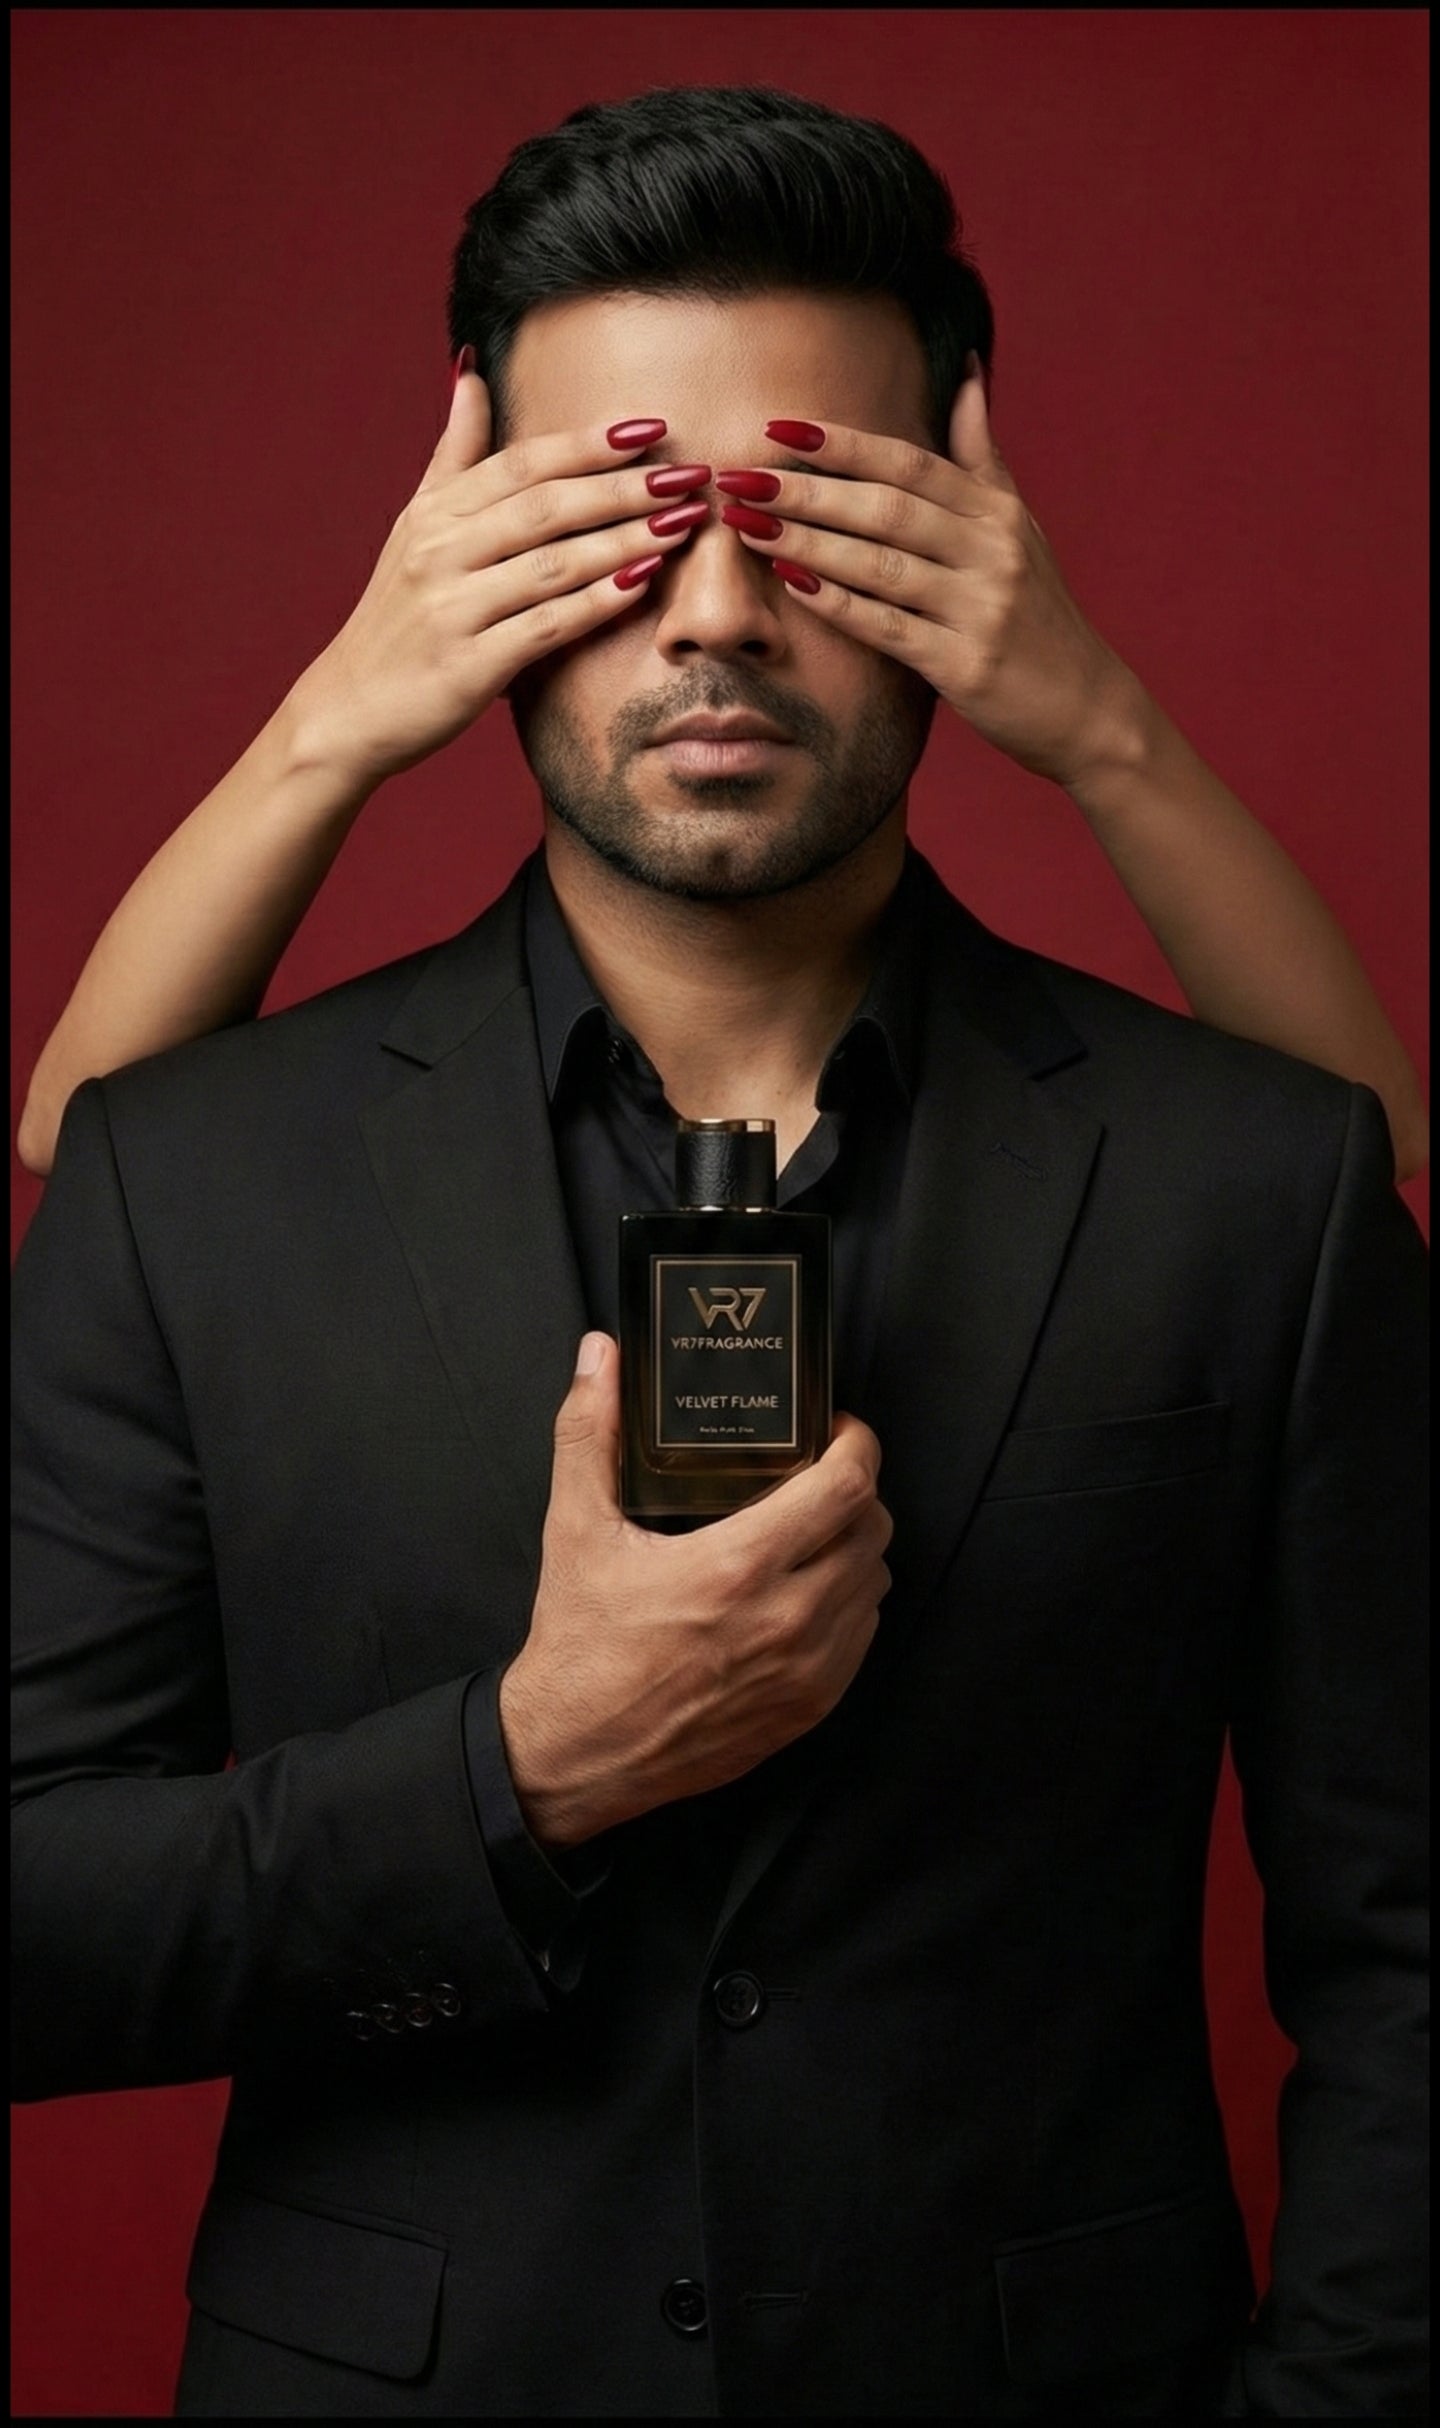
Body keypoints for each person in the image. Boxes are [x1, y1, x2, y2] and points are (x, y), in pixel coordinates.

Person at [11, 83, 1427, 2422]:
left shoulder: (1251, 1188)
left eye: (818, 525)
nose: (716, 611)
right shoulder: (188, 1179)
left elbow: (1411, 1949)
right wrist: (524, 1768)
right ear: (476, 549)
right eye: (620, 519)